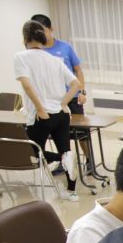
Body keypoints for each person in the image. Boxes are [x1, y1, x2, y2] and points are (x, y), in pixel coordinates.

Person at [14, 20, 81, 201]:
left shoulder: (21, 57)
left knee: (33, 151)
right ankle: (71, 192)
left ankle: (60, 158)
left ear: (25, 37)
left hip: (41, 115)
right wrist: (63, 103)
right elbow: (76, 84)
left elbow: (27, 86)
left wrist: (40, 108)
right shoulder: (55, 60)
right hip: (61, 114)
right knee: (65, 148)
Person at [30, 14, 93, 176]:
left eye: (44, 31)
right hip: (50, 102)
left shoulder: (65, 47)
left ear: (51, 30)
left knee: (81, 133)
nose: (41, 35)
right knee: (59, 135)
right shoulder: (36, 53)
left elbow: (78, 70)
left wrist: (82, 91)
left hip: (71, 98)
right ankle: (63, 162)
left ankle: (89, 160)